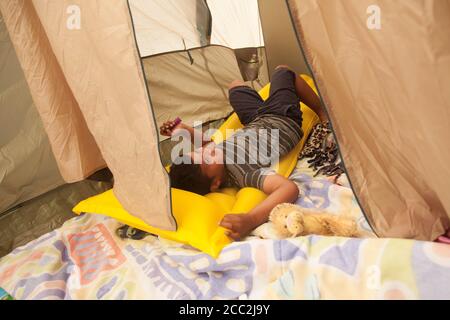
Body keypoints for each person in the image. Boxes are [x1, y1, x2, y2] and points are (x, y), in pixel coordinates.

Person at [160, 65, 327, 240]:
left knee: (234, 86)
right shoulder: (243, 174)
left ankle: (263, 101)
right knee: (284, 71)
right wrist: (250, 219)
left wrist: (182, 129)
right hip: (281, 118)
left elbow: (208, 142)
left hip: (256, 119)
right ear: (216, 184)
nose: (208, 150)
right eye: (207, 158)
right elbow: (288, 188)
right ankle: (323, 112)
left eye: (199, 151)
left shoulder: (214, 155)